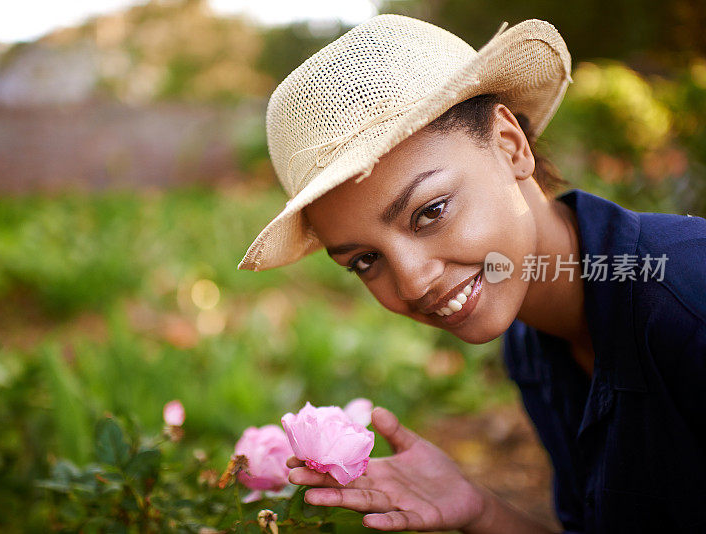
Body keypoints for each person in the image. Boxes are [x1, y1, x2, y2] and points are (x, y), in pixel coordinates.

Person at [238, 14, 706, 534]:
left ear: (511, 145)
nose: (412, 283)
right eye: (365, 261)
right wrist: (480, 510)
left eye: (430, 211)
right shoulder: (532, 345)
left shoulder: (688, 301)